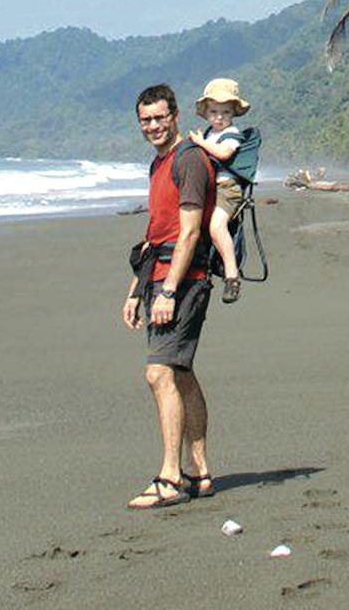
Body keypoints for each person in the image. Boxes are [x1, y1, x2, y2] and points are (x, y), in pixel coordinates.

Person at [121, 83, 218, 508]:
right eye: (146, 120)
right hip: (158, 276)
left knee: (158, 373)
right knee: (180, 372)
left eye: (160, 117)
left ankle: (170, 477)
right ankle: (200, 472)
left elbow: (190, 232)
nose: (153, 126)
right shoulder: (159, 163)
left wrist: (169, 291)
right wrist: (135, 291)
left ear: (175, 116)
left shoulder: (189, 160)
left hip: (183, 279)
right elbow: (156, 234)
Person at [188, 77, 261, 302]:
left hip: (228, 190)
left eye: (225, 112)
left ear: (233, 113)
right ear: (206, 112)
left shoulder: (231, 134)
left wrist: (200, 143)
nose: (219, 117)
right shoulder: (209, 133)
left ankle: (232, 276)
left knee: (217, 227)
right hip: (210, 188)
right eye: (214, 112)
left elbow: (223, 154)